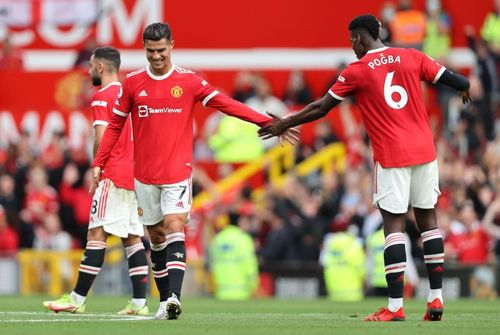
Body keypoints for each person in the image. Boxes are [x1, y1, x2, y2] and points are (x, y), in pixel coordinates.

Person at [259, 14, 472, 322]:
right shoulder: (412, 56)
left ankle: (396, 307)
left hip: (392, 155)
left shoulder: (357, 70)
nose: (352, 46)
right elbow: (453, 78)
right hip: (426, 151)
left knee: (394, 227)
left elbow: (321, 107)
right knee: (429, 223)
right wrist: (463, 85)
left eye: (352, 40)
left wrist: (285, 122)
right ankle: (436, 301)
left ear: (359, 38)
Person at [90, 22, 298, 320]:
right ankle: (164, 301)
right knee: (157, 237)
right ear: (144, 49)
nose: (157, 57)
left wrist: (267, 122)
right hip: (144, 176)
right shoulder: (133, 83)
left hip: (178, 172)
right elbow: (114, 127)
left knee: (175, 225)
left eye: (161, 50)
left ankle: (174, 297)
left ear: (172, 45)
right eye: (151, 52)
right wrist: (99, 162)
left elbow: (227, 105)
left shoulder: (188, 81)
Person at [44, 46, 149, 316]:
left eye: (91, 66)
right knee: (132, 238)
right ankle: (139, 303)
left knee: (96, 234)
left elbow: (102, 136)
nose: (88, 70)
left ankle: (77, 298)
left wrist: (97, 167)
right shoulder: (130, 94)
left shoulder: (102, 96)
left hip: (113, 173)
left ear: (101, 67)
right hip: (134, 174)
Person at [209, 212, 259, 300]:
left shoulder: (218, 238)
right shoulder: (243, 238)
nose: (248, 226)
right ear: (239, 222)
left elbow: (212, 264)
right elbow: (249, 264)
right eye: (246, 222)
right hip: (242, 293)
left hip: (220, 293)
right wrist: (254, 285)